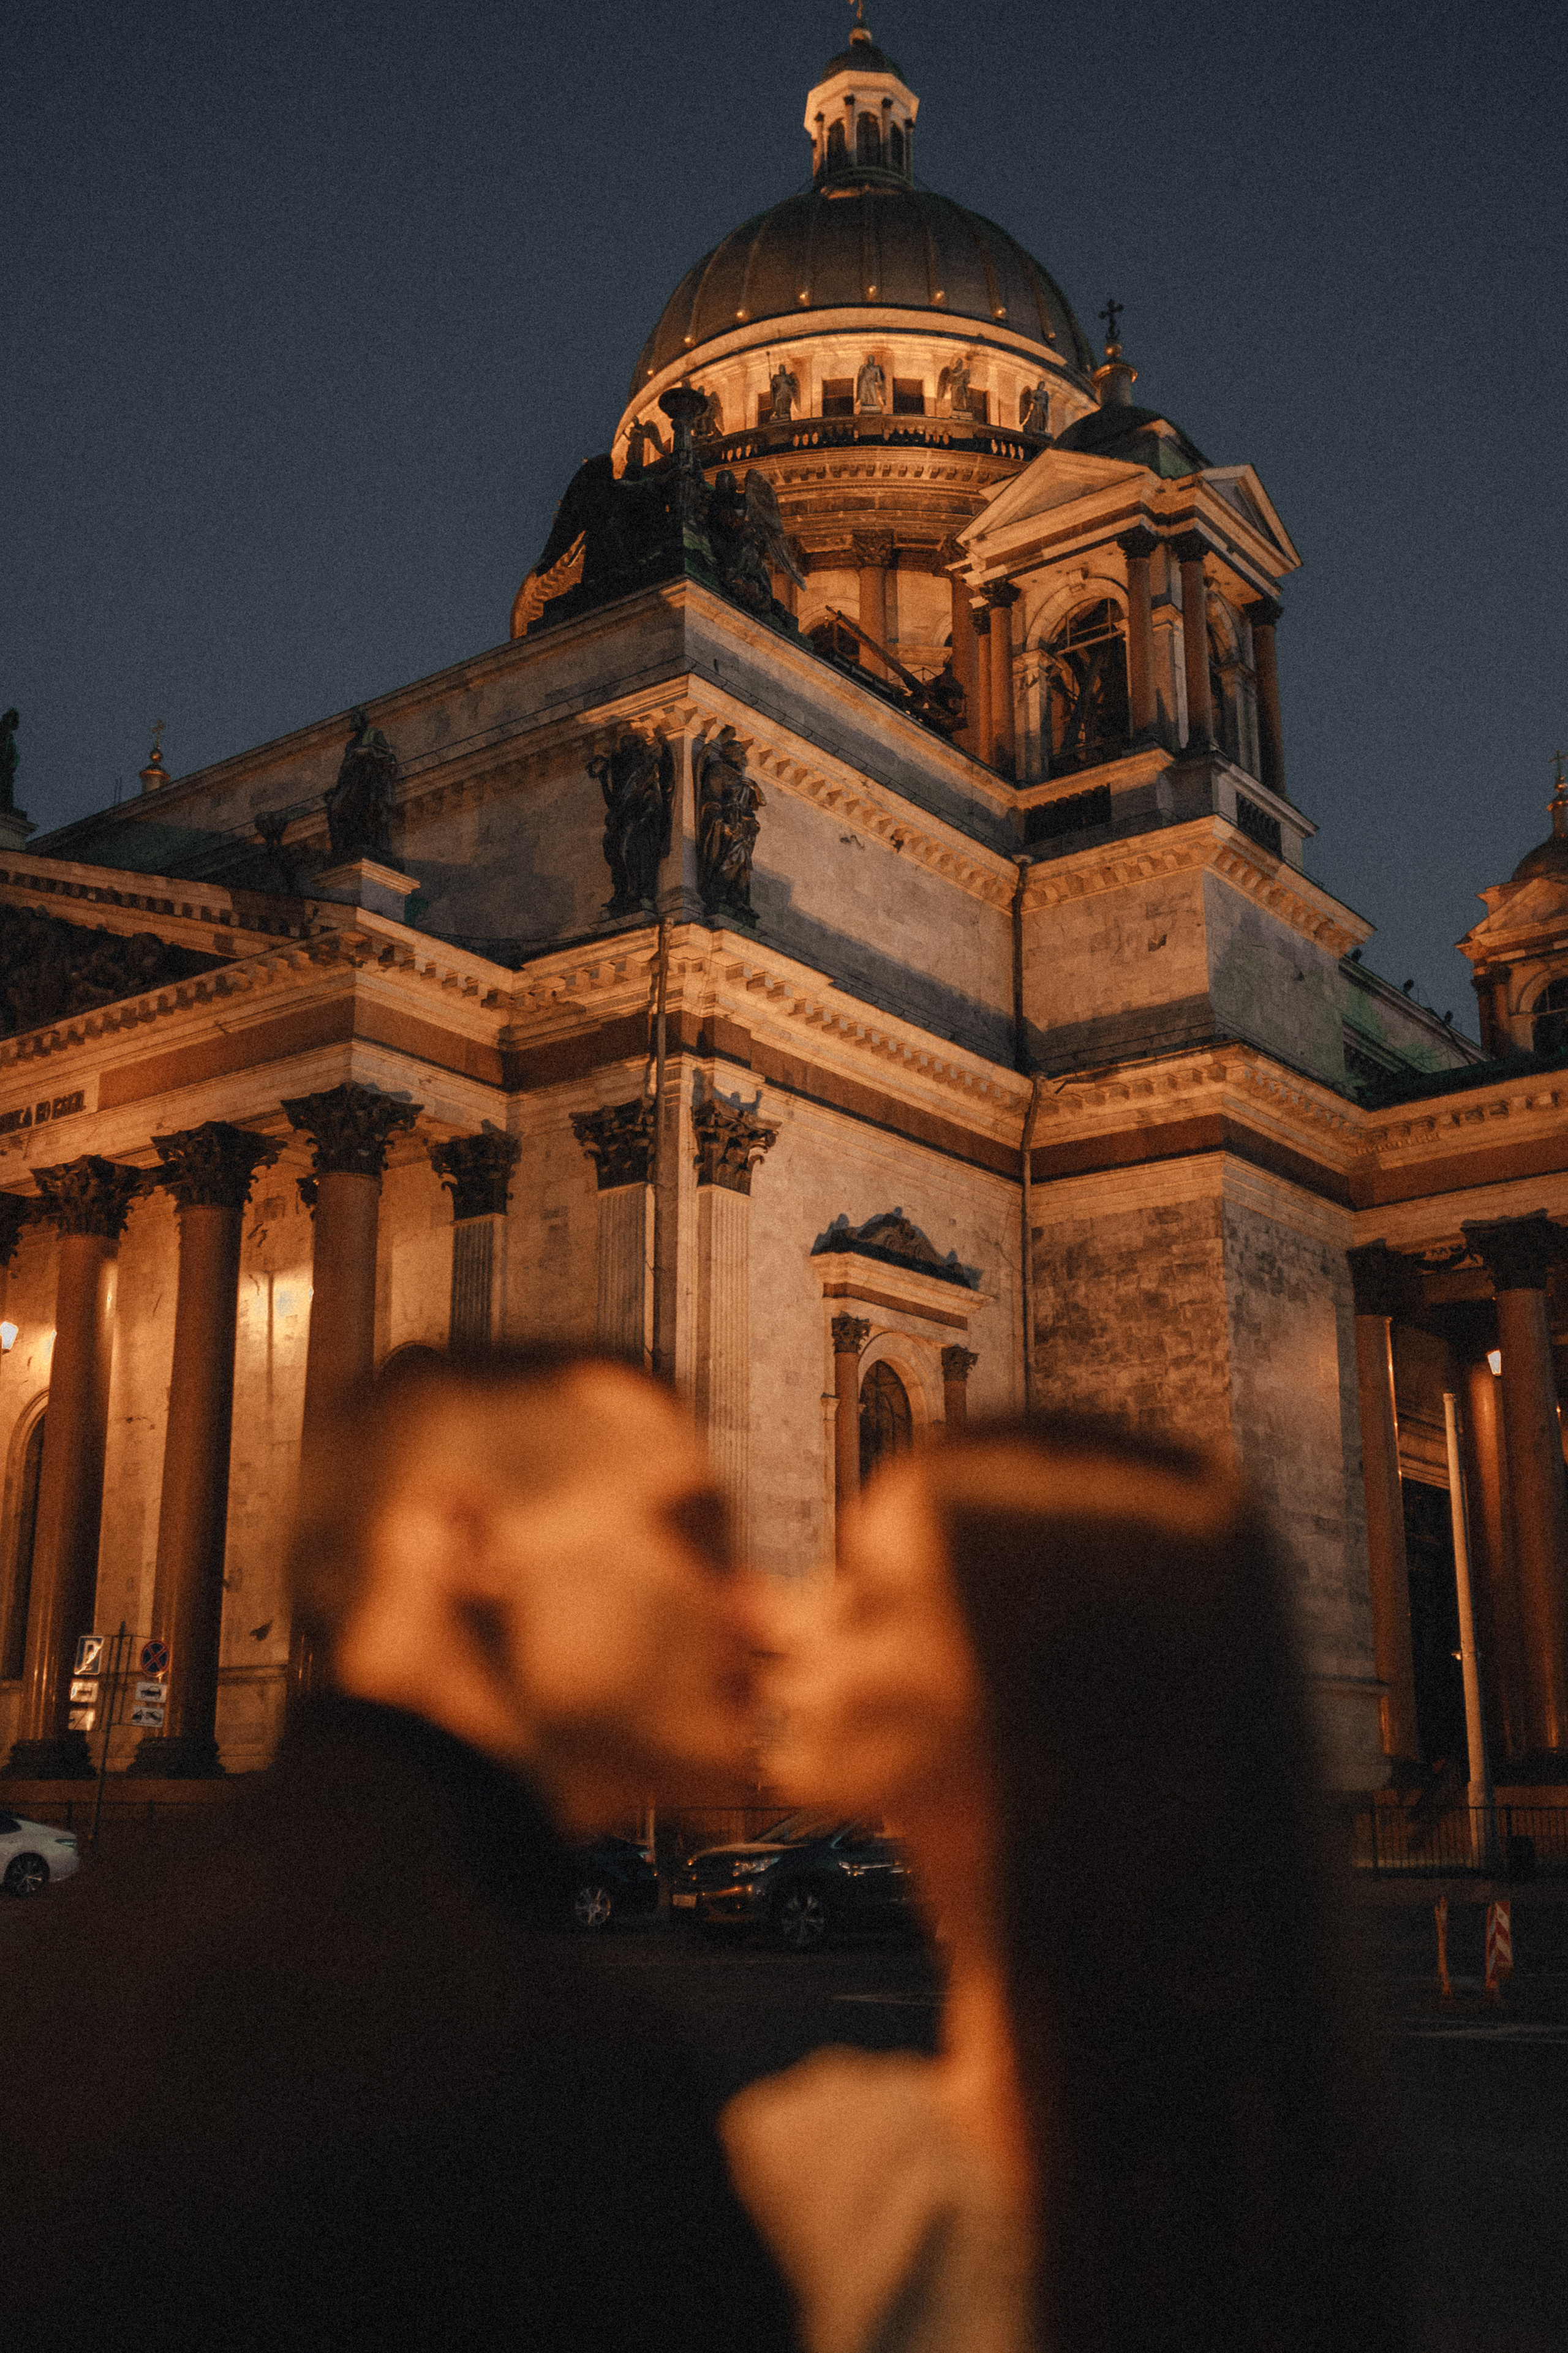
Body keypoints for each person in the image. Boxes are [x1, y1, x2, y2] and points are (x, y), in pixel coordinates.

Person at [0, 1346, 798, 2353]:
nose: (758, 1606)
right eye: (698, 1533)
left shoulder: (84, 1953)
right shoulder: (546, 2078)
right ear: (468, 1537)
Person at [726, 1414, 1408, 2353]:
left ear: (1028, 1687)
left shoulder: (818, 2181)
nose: (770, 1611)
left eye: (865, 1593)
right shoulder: (1288, 2195)